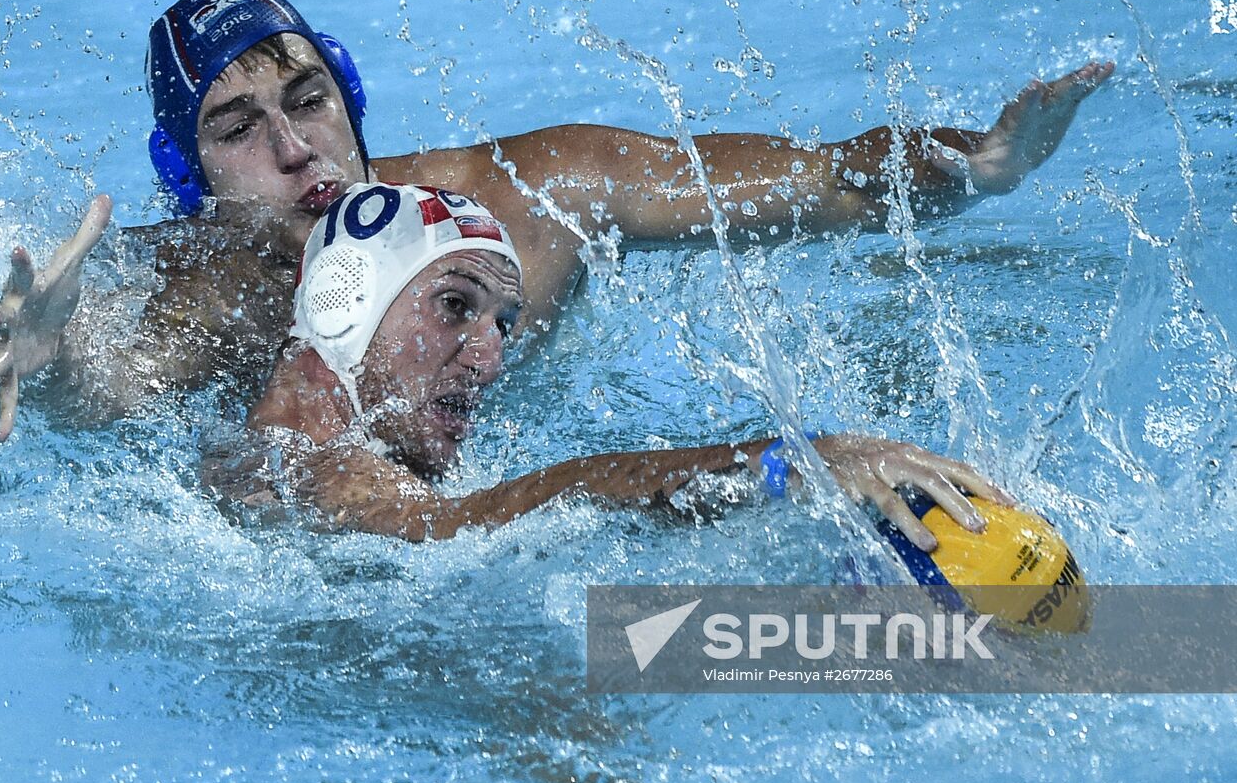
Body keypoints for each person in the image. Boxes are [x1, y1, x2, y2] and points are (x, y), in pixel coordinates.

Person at [0, 0, 1114, 441]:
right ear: (194, 178)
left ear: (347, 96)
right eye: (237, 130)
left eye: (308, 97)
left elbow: (824, 179)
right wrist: (54, 349)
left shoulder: (522, 193)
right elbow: (110, 382)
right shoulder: (205, 284)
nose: (292, 146)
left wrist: (980, 161)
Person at [210, 182, 1012, 550]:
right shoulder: (309, 456)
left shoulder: (325, 434)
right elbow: (459, 527)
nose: (489, 357)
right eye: (456, 306)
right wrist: (783, 464)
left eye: (504, 323)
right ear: (345, 304)